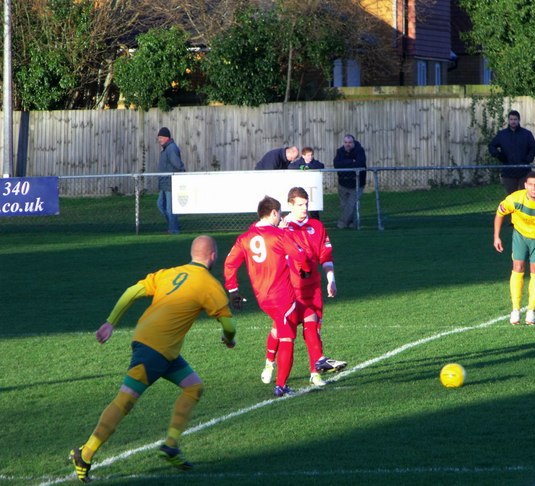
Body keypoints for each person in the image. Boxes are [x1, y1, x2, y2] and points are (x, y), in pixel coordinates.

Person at [69, 235, 237, 483]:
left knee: (193, 387)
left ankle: (171, 445)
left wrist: (110, 322)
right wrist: (229, 339)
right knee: (125, 400)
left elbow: (132, 291)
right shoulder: (210, 285)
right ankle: (85, 453)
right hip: (153, 350)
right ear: (213, 255)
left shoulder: (169, 273)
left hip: (160, 348)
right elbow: (229, 323)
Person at [224, 196, 312, 397]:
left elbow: (229, 264)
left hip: (262, 298)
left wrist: (233, 290)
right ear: (273, 213)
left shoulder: (245, 238)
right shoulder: (279, 236)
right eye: (279, 213)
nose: (280, 217)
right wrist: (306, 270)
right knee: (288, 337)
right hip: (282, 296)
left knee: (283, 325)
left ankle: (270, 364)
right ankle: (281, 386)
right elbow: (300, 256)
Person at [259, 187, 347, 388]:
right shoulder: (281, 228)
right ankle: (269, 364)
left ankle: (315, 373)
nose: (304, 208)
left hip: (312, 289)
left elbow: (325, 256)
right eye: (300, 204)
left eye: (306, 204)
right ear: (290, 205)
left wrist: (330, 279)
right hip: (289, 290)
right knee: (278, 332)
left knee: (313, 330)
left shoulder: (316, 226)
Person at [493, 171, 535, 325]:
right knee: (518, 267)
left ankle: (531, 311)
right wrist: (496, 237)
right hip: (520, 236)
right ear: (525, 185)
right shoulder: (514, 199)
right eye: (530, 184)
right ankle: (515, 310)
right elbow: (499, 214)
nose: (533, 188)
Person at [488, 110, 535, 195]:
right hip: (508, 171)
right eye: (511, 119)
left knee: (525, 195)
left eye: (515, 119)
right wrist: (498, 155)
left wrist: (528, 158)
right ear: (508, 120)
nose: (513, 121)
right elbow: (491, 146)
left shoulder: (526, 134)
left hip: (524, 171)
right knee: (511, 197)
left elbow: (534, 148)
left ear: (518, 120)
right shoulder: (502, 135)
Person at [333, 134, 367, 229]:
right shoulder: (340, 151)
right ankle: (353, 224)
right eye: (346, 142)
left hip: (357, 183)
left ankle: (342, 223)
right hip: (343, 183)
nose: (347, 144)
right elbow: (337, 164)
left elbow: (360, 163)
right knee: (344, 205)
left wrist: (345, 163)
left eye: (350, 142)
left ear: (353, 142)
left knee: (351, 205)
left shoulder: (359, 151)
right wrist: (351, 161)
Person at [156, 127, 186, 234]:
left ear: (166, 137)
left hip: (170, 183)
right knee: (160, 205)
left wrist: (181, 176)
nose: (159, 140)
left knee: (170, 208)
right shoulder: (165, 148)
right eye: (159, 137)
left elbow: (178, 165)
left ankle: (174, 229)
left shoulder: (171, 148)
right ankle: (173, 224)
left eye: (161, 137)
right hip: (164, 183)